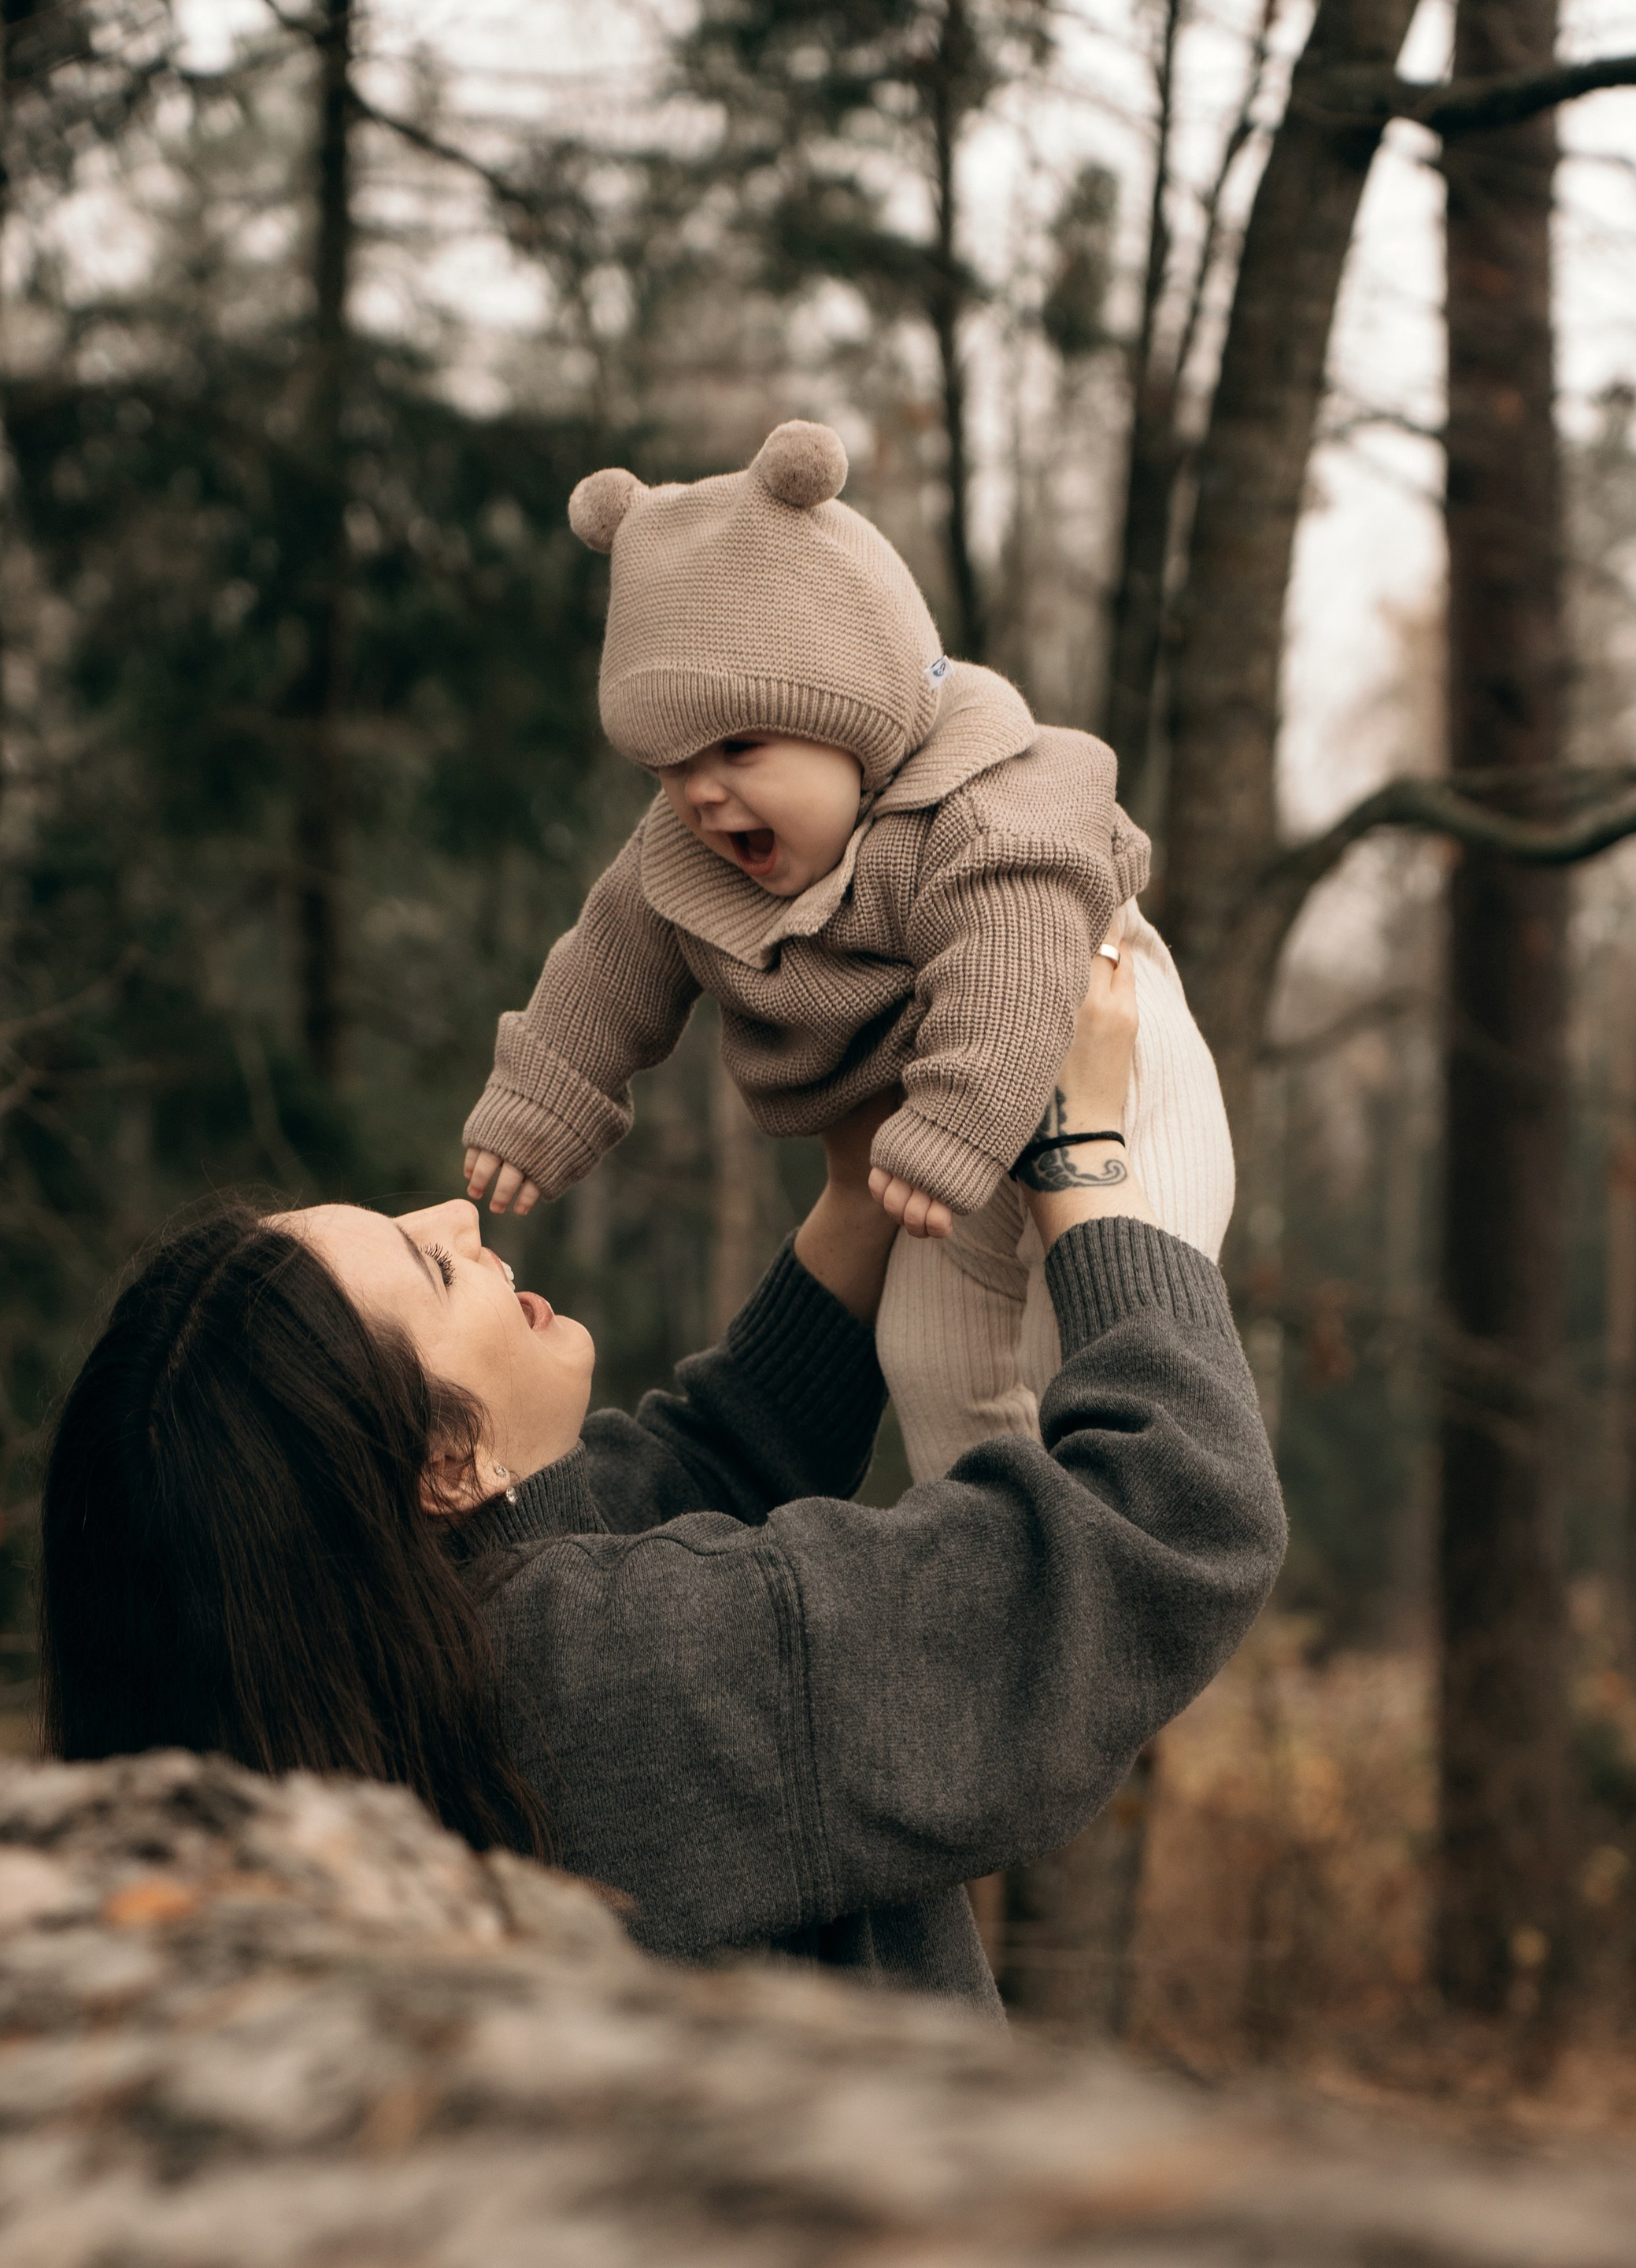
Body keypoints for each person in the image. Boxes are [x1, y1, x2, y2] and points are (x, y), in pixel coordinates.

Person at [43, 955, 1284, 2015]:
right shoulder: (630, 1680)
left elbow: (708, 1469)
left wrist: (860, 1194)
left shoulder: (373, 1677)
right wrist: (1084, 1160)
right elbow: (1170, 1521)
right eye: (431, 1270)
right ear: (440, 1466)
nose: (462, 1222)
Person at [460, 417, 1234, 1482]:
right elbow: (605, 970)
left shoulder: (988, 803)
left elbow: (1010, 965)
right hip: (930, 1123)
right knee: (928, 1358)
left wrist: (962, 1120)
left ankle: (1132, 1565)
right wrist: (544, 1098)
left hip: (1103, 1069)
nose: (701, 791)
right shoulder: (686, 856)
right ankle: (1002, 1580)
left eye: (740, 746)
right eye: (671, 766)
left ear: (860, 722)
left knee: (1092, 1336)